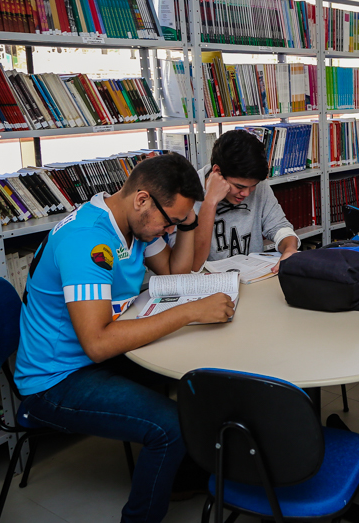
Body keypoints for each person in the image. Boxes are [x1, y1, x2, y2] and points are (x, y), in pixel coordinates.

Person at [14, 154, 236, 523]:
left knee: (200, 379)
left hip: (94, 360)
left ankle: (183, 475)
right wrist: (188, 312)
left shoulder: (132, 222)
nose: (169, 232)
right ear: (142, 199)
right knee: (169, 427)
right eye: (171, 222)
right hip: (56, 379)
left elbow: (174, 272)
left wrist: (187, 221)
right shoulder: (89, 242)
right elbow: (98, 343)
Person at [187, 129, 300, 272]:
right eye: (239, 186)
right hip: (207, 284)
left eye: (253, 186)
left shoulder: (258, 183)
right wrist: (210, 201)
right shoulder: (188, 194)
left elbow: (279, 226)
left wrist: (290, 249)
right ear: (216, 172)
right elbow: (193, 264)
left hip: (251, 278)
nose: (246, 193)